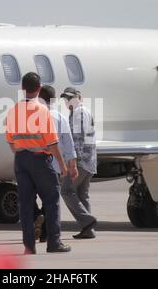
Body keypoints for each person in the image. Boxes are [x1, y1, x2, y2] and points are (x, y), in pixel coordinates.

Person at [6, 72, 71, 254]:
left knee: (26, 204)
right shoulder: (42, 111)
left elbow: (10, 140)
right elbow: (52, 143)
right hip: (40, 161)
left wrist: (20, 149)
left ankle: (29, 246)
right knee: (51, 201)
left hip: (20, 160)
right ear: (39, 89)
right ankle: (54, 243)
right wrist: (62, 165)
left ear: (22, 88)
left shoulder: (14, 110)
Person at [34, 85, 78, 242]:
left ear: (39, 96)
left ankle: (36, 215)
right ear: (53, 100)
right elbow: (68, 143)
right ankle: (48, 235)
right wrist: (72, 165)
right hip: (55, 166)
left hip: (36, 163)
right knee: (51, 200)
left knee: (31, 196)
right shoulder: (60, 117)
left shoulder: (35, 115)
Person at [60, 87, 98, 239]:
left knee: (66, 190)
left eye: (70, 98)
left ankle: (88, 221)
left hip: (81, 161)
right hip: (90, 161)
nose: (68, 101)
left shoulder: (78, 113)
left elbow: (78, 139)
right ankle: (88, 229)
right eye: (65, 99)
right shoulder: (83, 112)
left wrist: (73, 162)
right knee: (82, 194)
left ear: (79, 97)